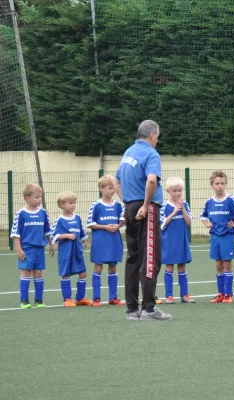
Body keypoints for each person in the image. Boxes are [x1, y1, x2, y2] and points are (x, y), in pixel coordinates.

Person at [114, 119, 171, 321]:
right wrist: (145, 205)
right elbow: (152, 180)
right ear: (153, 135)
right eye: (158, 136)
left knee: (133, 257)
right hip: (147, 209)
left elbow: (115, 181)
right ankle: (148, 308)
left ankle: (132, 309)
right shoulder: (150, 153)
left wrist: (128, 202)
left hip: (130, 207)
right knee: (150, 257)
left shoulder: (128, 153)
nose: (157, 140)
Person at [200, 170, 234, 304]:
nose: (220, 186)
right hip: (215, 237)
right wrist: (207, 224)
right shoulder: (209, 202)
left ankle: (228, 294)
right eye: (217, 183)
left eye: (222, 183)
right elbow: (203, 216)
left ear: (226, 184)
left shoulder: (231, 200)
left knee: (227, 264)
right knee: (218, 265)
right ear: (211, 185)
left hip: (227, 236)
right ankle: (220, 294)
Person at [10, 183, 54, 308]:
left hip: (39, 248)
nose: (40, 199)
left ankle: (39, 300)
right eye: (37, 197)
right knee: (25, 272)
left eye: (41, 196)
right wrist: (19, 249)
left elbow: (47, 230)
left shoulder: (43, 213)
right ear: (27, 198)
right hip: (27, 249)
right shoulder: (21, 214)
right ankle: (24, 300)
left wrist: (50, 244)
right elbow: (15, 234)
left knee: (38, 273)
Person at [86, 175, 125, 306]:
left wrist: (118, 226)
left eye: (113, 188)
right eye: (109, 188)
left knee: (113, 268)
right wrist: (105, 227)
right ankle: (96, 298)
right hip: (100, 242)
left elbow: (123, 221)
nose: (112, 191)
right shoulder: (96, 205)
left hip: (114, 241)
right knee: (98, 268)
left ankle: (113, 297)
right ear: (101, 188)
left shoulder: (118, 205)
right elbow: (90, 224)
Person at [52, 191, 92, 307]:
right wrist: (66, 236)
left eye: (74, 203)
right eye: (70, 203)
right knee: (66, 274)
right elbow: (54, 235)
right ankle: (67, 299)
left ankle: (80, 298)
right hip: (65, 252)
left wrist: (84, 241)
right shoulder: (60, 220)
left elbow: (82, 232)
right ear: (62, 205)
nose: (73, 205)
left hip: (77, 251)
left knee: (83, 273)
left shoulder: (77, 218)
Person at [160, 177, 194, 304]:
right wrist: (174, 212)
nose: (178, 193)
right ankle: (169, 295)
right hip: (169, 240)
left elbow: (188, 221)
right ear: (168, 191)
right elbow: (162, 224)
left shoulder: (184, 204)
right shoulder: (164, 206)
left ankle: (184, 295)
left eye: (180, 190)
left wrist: (183, 209)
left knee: (182, 266)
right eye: (174, 191)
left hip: (182, 239)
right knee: (169, 267)